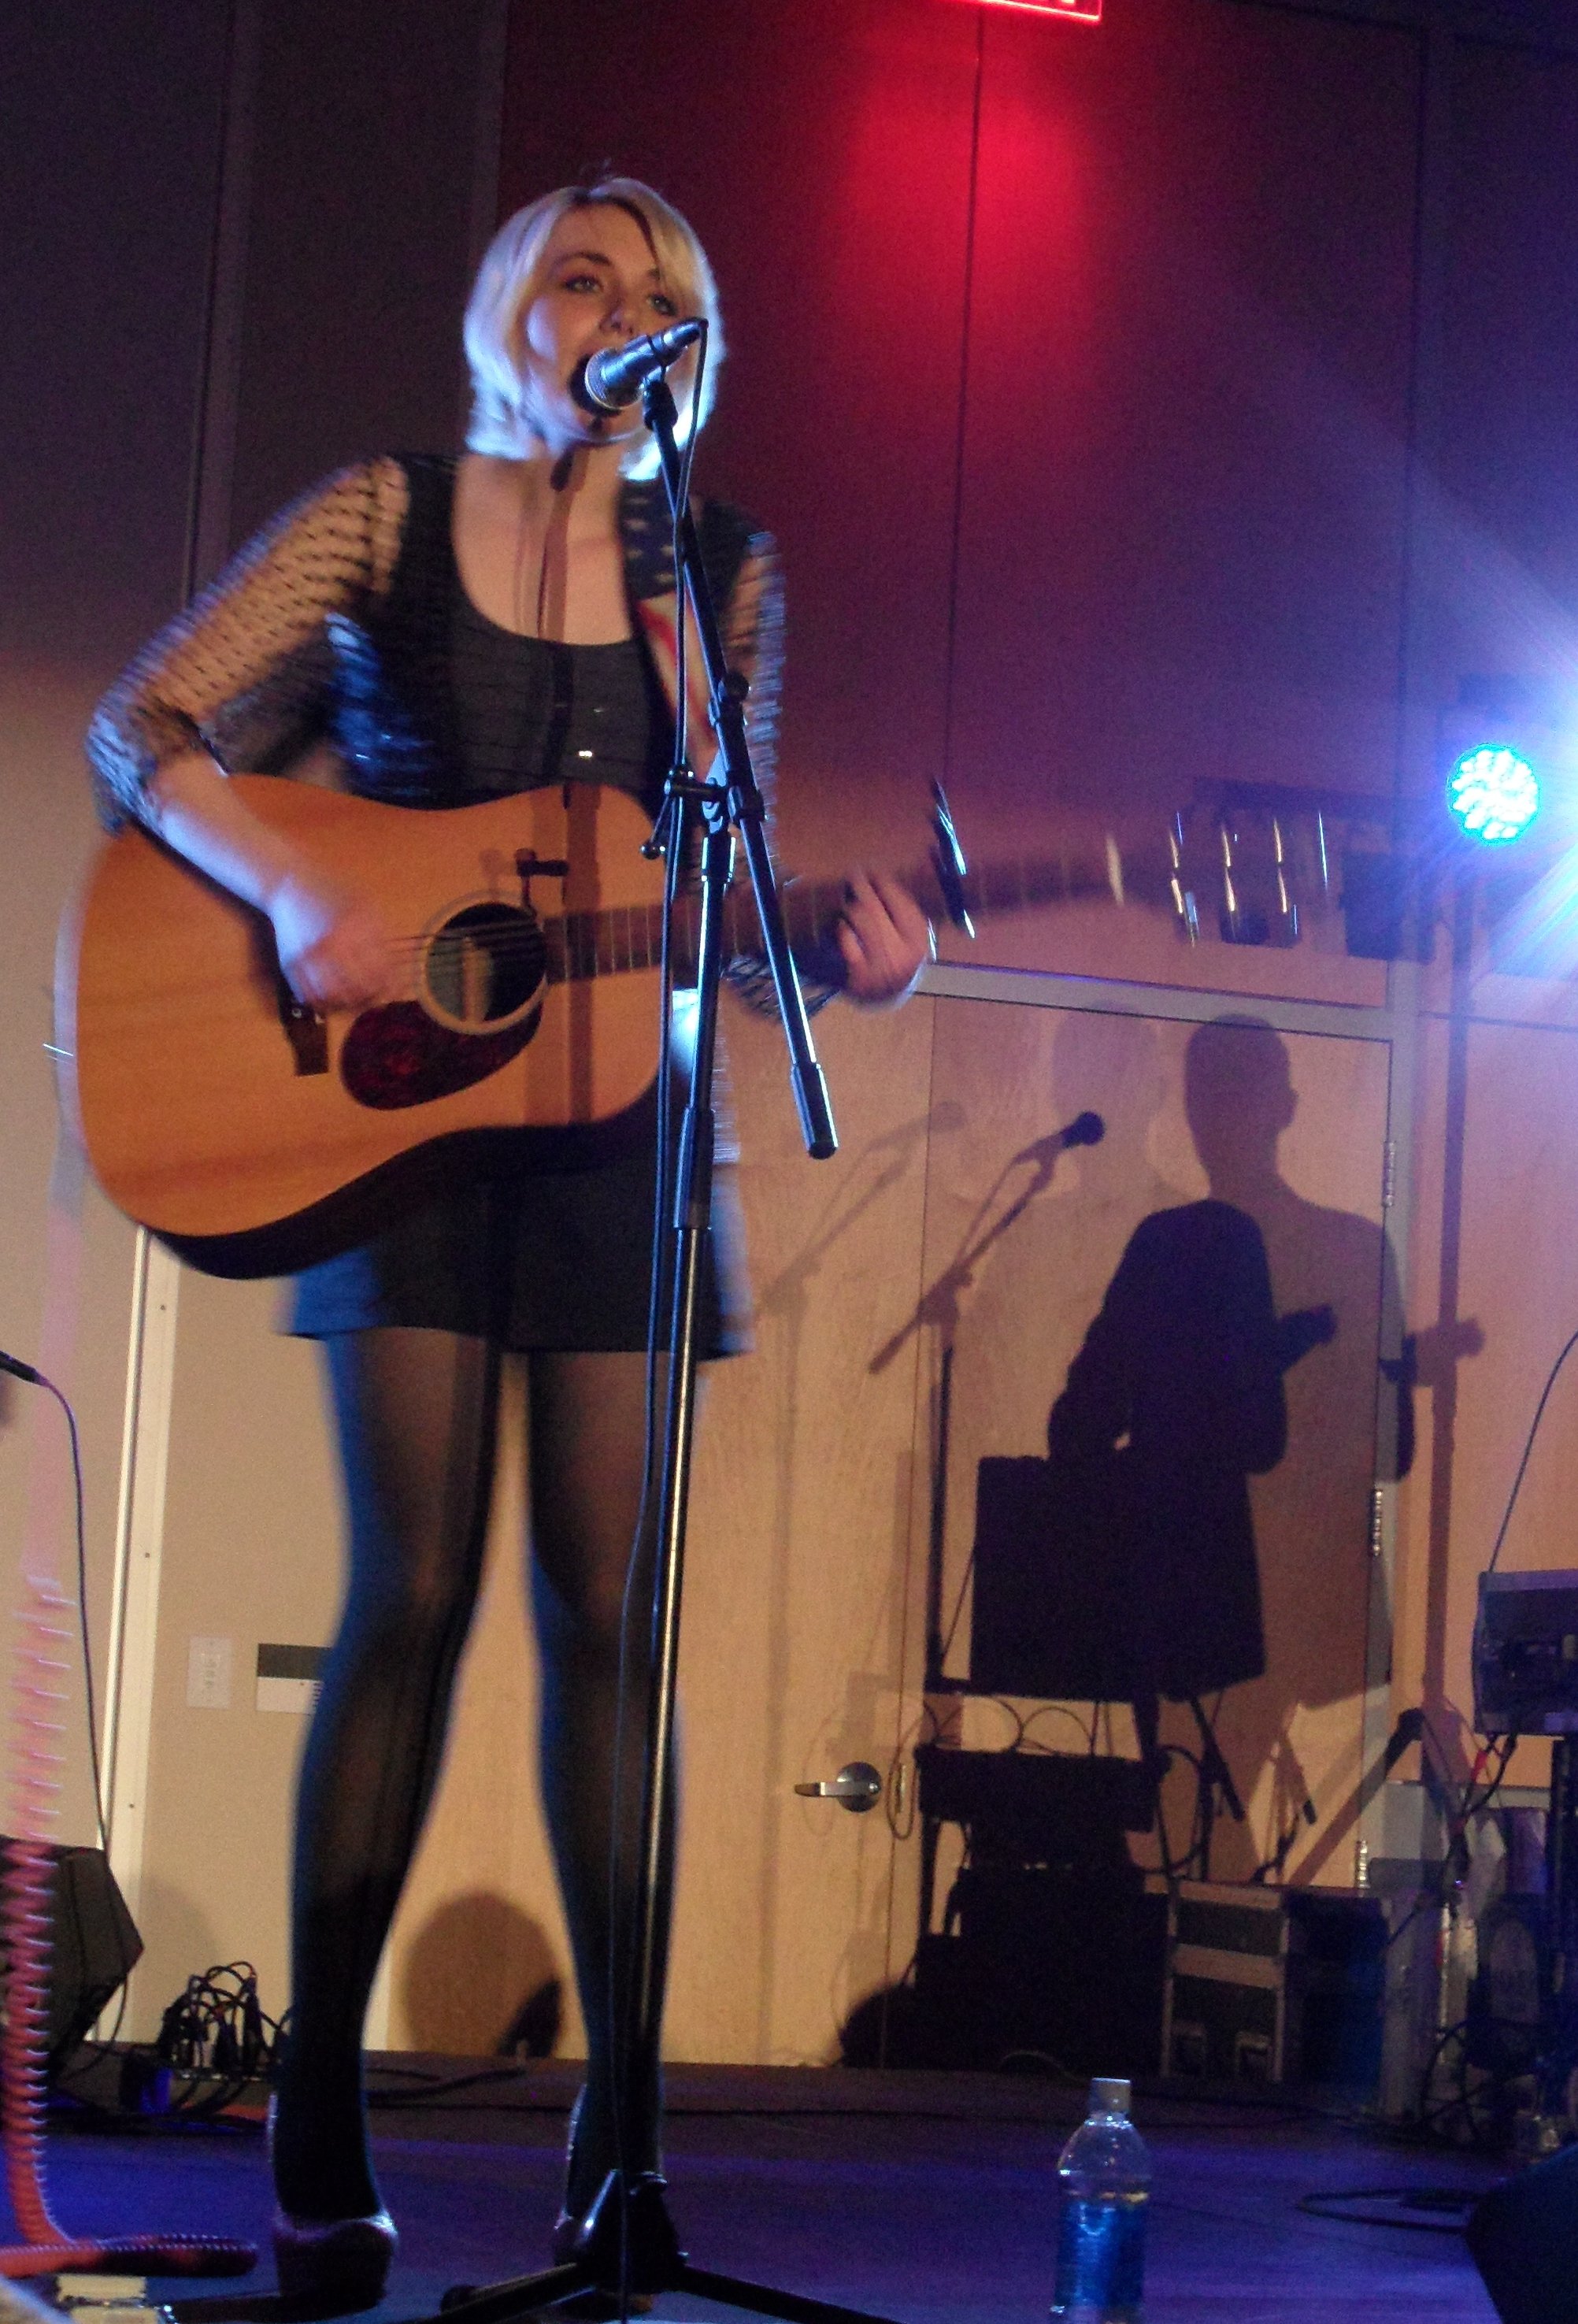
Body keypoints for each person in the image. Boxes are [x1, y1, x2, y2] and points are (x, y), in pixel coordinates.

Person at [87, 176, 929, 2310]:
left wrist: (833, 963)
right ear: (508, 315)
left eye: (660, 293)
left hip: (625, 1139)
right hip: (394, 1120)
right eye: (581, 277)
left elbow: (714, 892)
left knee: (614, 1628)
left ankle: (618, 2150)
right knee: (414, 1598)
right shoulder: (377, 520)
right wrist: (296, 882)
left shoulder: (716, 571)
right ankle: (318, 2123)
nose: (619, 311)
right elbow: (140, 727)